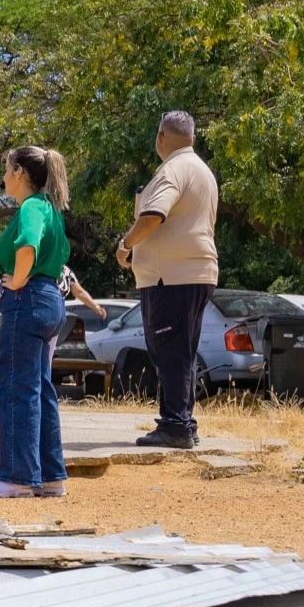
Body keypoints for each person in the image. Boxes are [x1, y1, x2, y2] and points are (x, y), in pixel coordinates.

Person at [115, 111, 218, 449]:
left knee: (168, 350)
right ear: (193, 138)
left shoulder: (172, 170)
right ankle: (183, 422)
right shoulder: (202, 170)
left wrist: (126, 244)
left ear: (161, 137)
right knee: (183, 351)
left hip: (169, 276)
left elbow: (153, 215)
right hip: (197, 272)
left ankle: (174, 425)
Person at [0, 145, 73, 499]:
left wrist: (17, 280)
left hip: (28, 297)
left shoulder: (32, 207)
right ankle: (51, 476)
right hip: (49, 299)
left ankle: (17, 477)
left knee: (15, 386)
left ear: (20, 172)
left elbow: (27, 246)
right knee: (40, 388)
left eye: (6, 170)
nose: (3, 177)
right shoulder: (50, 207)